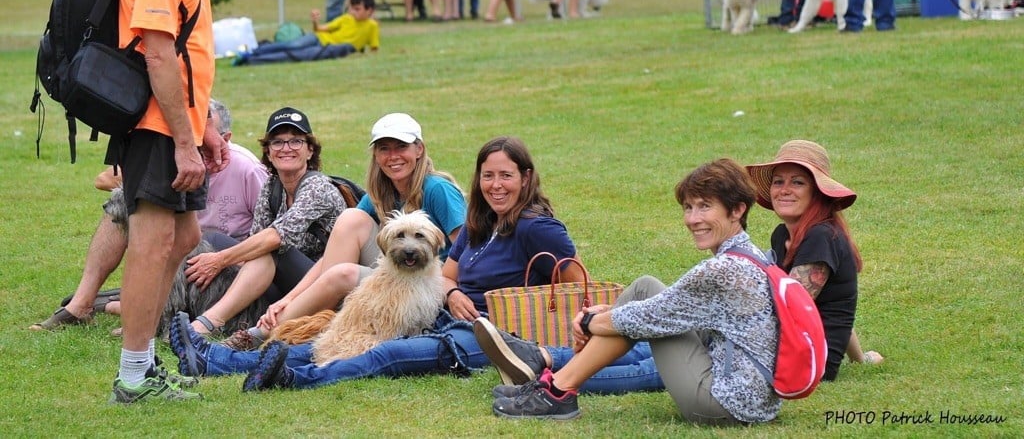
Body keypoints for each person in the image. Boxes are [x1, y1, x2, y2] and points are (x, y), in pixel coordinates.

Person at [168, 136, 642, 393]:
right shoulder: (480, 224)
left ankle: (296, 378)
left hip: (490, 335)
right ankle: (216, 360)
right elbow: (449, 276)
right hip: (446, 316)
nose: (496, 185)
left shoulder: (536, 227)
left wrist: (576, 326)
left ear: (526, 178)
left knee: (384, 356)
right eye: (489, 176)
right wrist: (453, 294)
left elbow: (579, 285)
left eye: (507, 176)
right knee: (336, 339)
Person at [483, 159, 782, 425]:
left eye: (705, 206)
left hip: (726, 405)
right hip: (755, 399)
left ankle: (558, 391)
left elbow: (651, 316)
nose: (692, 219)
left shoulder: (722, 270)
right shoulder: (749, 254)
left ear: (737, 210)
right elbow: (669, 310)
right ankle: (558, 385)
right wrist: (609, 315)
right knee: (644, 288)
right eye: (689, 207)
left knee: (642, 302)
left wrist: (590, 322)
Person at [105, 0, 235, 403]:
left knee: (183, 234)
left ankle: (143, 361)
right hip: (157, 126)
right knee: (154, 243)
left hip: (177, 122)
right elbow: (157, 51)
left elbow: (185, 50)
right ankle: (134, 376)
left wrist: (202, 125)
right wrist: (185, 140)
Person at [200, 112, 466, 351]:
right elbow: (331, 257)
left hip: (428, 281)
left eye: (402, 147)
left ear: (419, 149)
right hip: (391, 277)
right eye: (384, 149)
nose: (393, 156)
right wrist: (290, 299)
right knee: (351, 221)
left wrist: (452, 291)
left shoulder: (437, 189)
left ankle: (256, 333)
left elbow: (468, 249)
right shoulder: (379, 194)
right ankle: (211, 322)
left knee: (337, 268)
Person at [30, 100, 267, 331]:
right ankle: (83, 303)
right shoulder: (177, 159)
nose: (197, 144)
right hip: (188, 265)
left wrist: (221, 260)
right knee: (127, 203)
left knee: (177, 239)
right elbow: (102, 180)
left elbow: (272, 239)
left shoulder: (246, 169)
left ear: (223, 139)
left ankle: (129, 310)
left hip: (225, 268)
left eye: (200, 136)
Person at [183, 107, 346, 343]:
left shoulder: (318, 188)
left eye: (296, 141)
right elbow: (255, 242)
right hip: (285, 283)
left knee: (268, 250)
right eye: (277, 142)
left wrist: (220, 260)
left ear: (310, 151)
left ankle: (208, 323)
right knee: (212, 240)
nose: (286, 148)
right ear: (268, 152)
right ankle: (180, 311)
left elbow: (273, 239)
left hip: (324, 286)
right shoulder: (272, 186)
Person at [746, 140, 883, 381]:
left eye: (797, 182)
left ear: (818, 192)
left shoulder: (822, 237)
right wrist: (860, 358)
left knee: (683, 354)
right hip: (790, 352)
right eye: (779, 182)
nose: (784, 189)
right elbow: (834, 307)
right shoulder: (783, 235)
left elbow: (791, 309)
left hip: (804, 363)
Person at [231, 0, 379, 65]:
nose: (353, 12)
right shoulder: (346, 18)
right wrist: (315, 22)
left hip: (327, 48)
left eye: (357, 9)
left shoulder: (372, 26)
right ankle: (253, 51)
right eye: (352, 8)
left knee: (293, 54)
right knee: (292, 45)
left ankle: (252, 59)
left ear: (369, 10)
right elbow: (321, 29)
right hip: (318, 38)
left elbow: (374, 48)